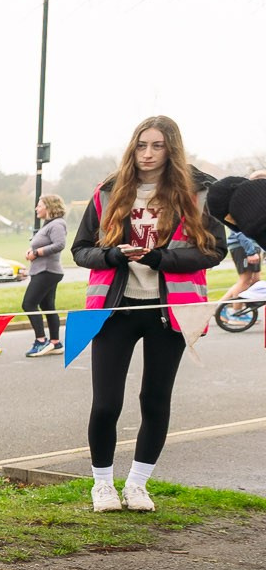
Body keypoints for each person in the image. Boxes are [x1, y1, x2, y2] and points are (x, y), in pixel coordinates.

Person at [71, 114, 225, 514]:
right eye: (141, 145)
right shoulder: (108, 191)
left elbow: (214, 251)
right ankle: (102, 485)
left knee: (155, 400)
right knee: (106, 404)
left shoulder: (200, 192)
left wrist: (162, 259)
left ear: (172, 149)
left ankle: (137, 485)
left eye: (157, 146)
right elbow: (80, 249)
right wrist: (110, 255)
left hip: (168, 311)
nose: (148, 154)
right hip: (115, 309)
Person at [20, 195, 68, 357]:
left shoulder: (57, 224)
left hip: (47, 271)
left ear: (49, 207)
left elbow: (59, 244)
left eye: (39, 205)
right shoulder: (48, 225)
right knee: (48, 306)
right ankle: (55, 343)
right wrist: (31, 251)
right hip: (43, 270)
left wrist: (36, 252)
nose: (36, 208)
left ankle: (41, 341)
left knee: (29, 304)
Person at [218, 224, 261, 302]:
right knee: (245, 281)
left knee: (255, 281)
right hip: (243, 245)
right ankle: (234, 308)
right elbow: (238, 228)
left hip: (252, 245)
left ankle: (220, 305)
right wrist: (250, 251)